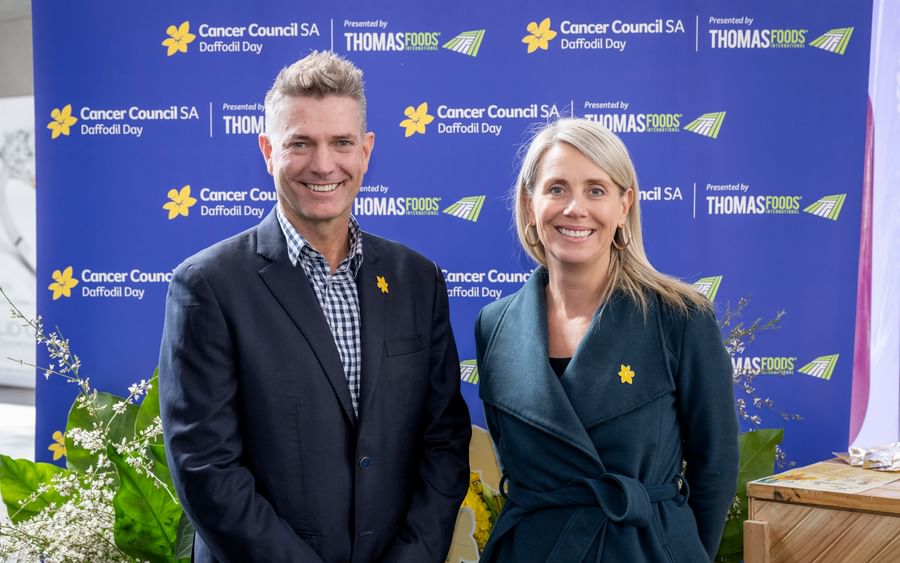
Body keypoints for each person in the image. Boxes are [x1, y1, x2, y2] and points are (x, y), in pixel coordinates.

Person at [158, 51, 471, 563]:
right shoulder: (207, 285)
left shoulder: (418, 280)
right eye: (300, 143)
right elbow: (207, 469)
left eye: (341, 142)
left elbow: (444, 442)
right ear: (268, 151)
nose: (323, 164)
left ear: (366, 151)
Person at [475, 118, 739, 562]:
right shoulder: (494, 325)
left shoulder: (680, 317)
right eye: (556, 188)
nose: (575, 208)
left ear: (623, 205)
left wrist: (674, 549)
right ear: (529, 204)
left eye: (596, 190)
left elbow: (716, 466)